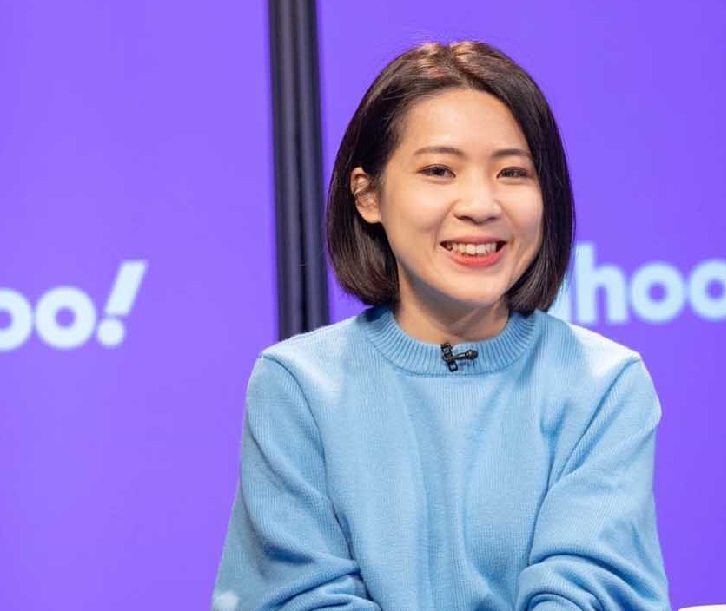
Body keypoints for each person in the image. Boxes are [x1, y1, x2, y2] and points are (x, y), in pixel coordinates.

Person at [212, 41, 670, 611]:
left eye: (512, 172)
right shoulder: (299, 386)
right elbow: (300, 598)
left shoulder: (603, 384)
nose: (480, 204)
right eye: (439, 170)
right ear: (368, 195)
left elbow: (588, 593)